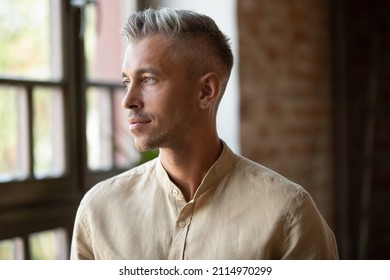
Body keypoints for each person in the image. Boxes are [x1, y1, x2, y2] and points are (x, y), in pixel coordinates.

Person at [70, 7, 338, 260]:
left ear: (205, 91)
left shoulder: (287, 213)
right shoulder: (98, 211)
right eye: (127, 81)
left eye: (148, 79)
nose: (128, 100)